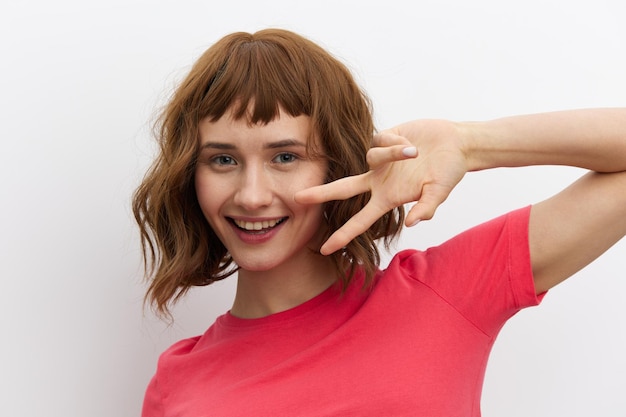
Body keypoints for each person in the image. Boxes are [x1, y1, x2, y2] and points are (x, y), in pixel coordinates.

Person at [133, 28, 626, 416]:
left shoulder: (446, 295)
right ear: (190, 177)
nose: (253, 194)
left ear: (336, 164)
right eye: (222, 160)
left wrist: (472, 143)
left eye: (285, 156)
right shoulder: (177, 385)